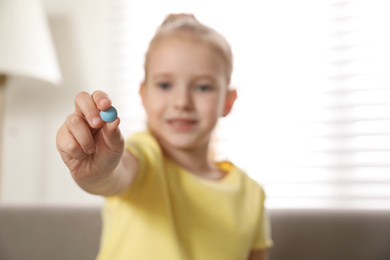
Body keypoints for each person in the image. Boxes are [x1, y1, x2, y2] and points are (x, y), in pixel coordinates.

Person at [56, 13, 273, 260]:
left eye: (202, 87)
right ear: (144, 95)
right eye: (165, 85)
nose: (181, 102)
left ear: (228, 101)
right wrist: (96, 172)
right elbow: (114, 176)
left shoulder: (251, 194)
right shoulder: (144, 156)